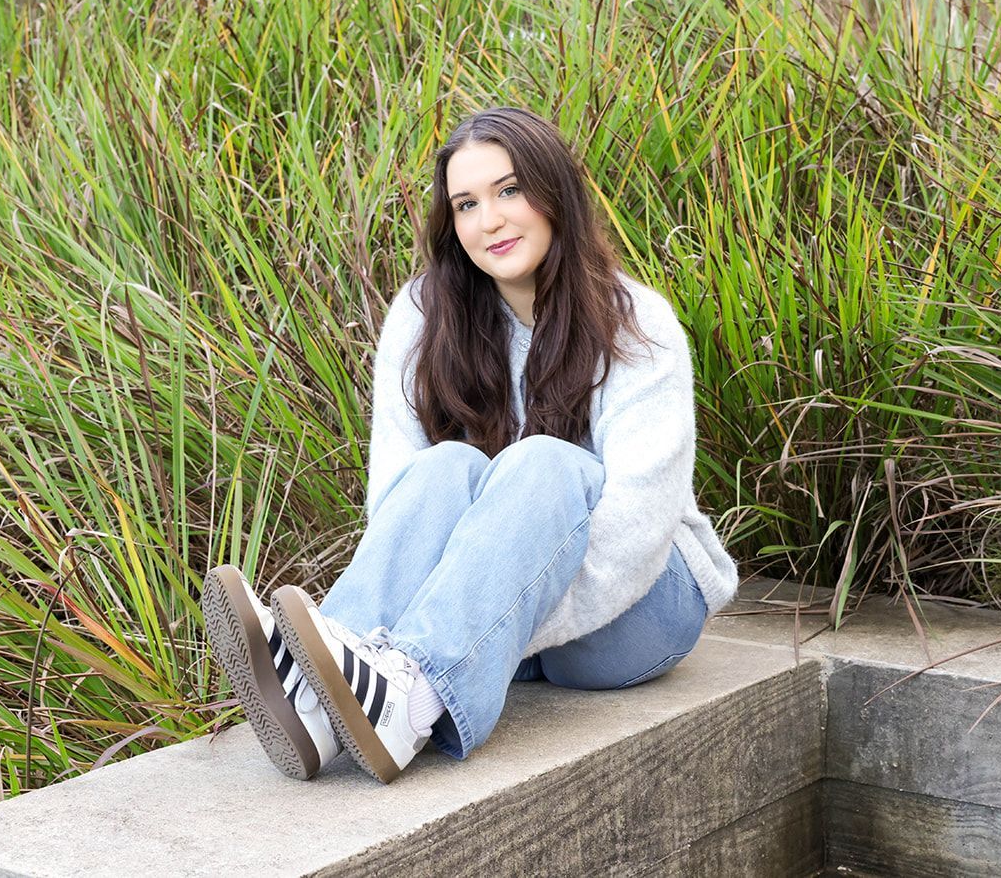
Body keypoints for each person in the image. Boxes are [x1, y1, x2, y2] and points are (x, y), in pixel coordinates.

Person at [202, 106, 738, 784]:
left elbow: (634, 539)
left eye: (510, 190)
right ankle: (317, 701)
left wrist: (486, 630)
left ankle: (414, 695)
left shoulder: (638, 325)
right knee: (445, 465)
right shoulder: (425, 315)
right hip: (493, 622)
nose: (490, 220)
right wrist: (484, 621)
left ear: (556, 194)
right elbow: (396, 502)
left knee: (545, 461)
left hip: (641, 605)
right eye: (466, 203)